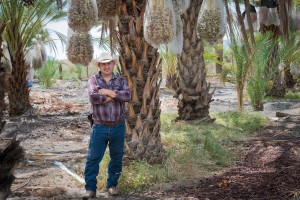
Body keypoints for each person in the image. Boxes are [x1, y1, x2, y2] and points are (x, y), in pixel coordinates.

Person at [83, 52, 131, 199]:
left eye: (109, 63)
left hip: (118, 126)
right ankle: (90, 189)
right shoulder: (94, 80)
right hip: (99, 126)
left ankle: (112, 186)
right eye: (103, 63)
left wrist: (108, 92)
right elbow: (93, 97)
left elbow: (127, 96)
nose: (106, 66)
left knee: (116, 158)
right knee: (93, 158)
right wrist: (115, 96)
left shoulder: (121, 80)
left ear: (113, 64)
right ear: (99, 65)